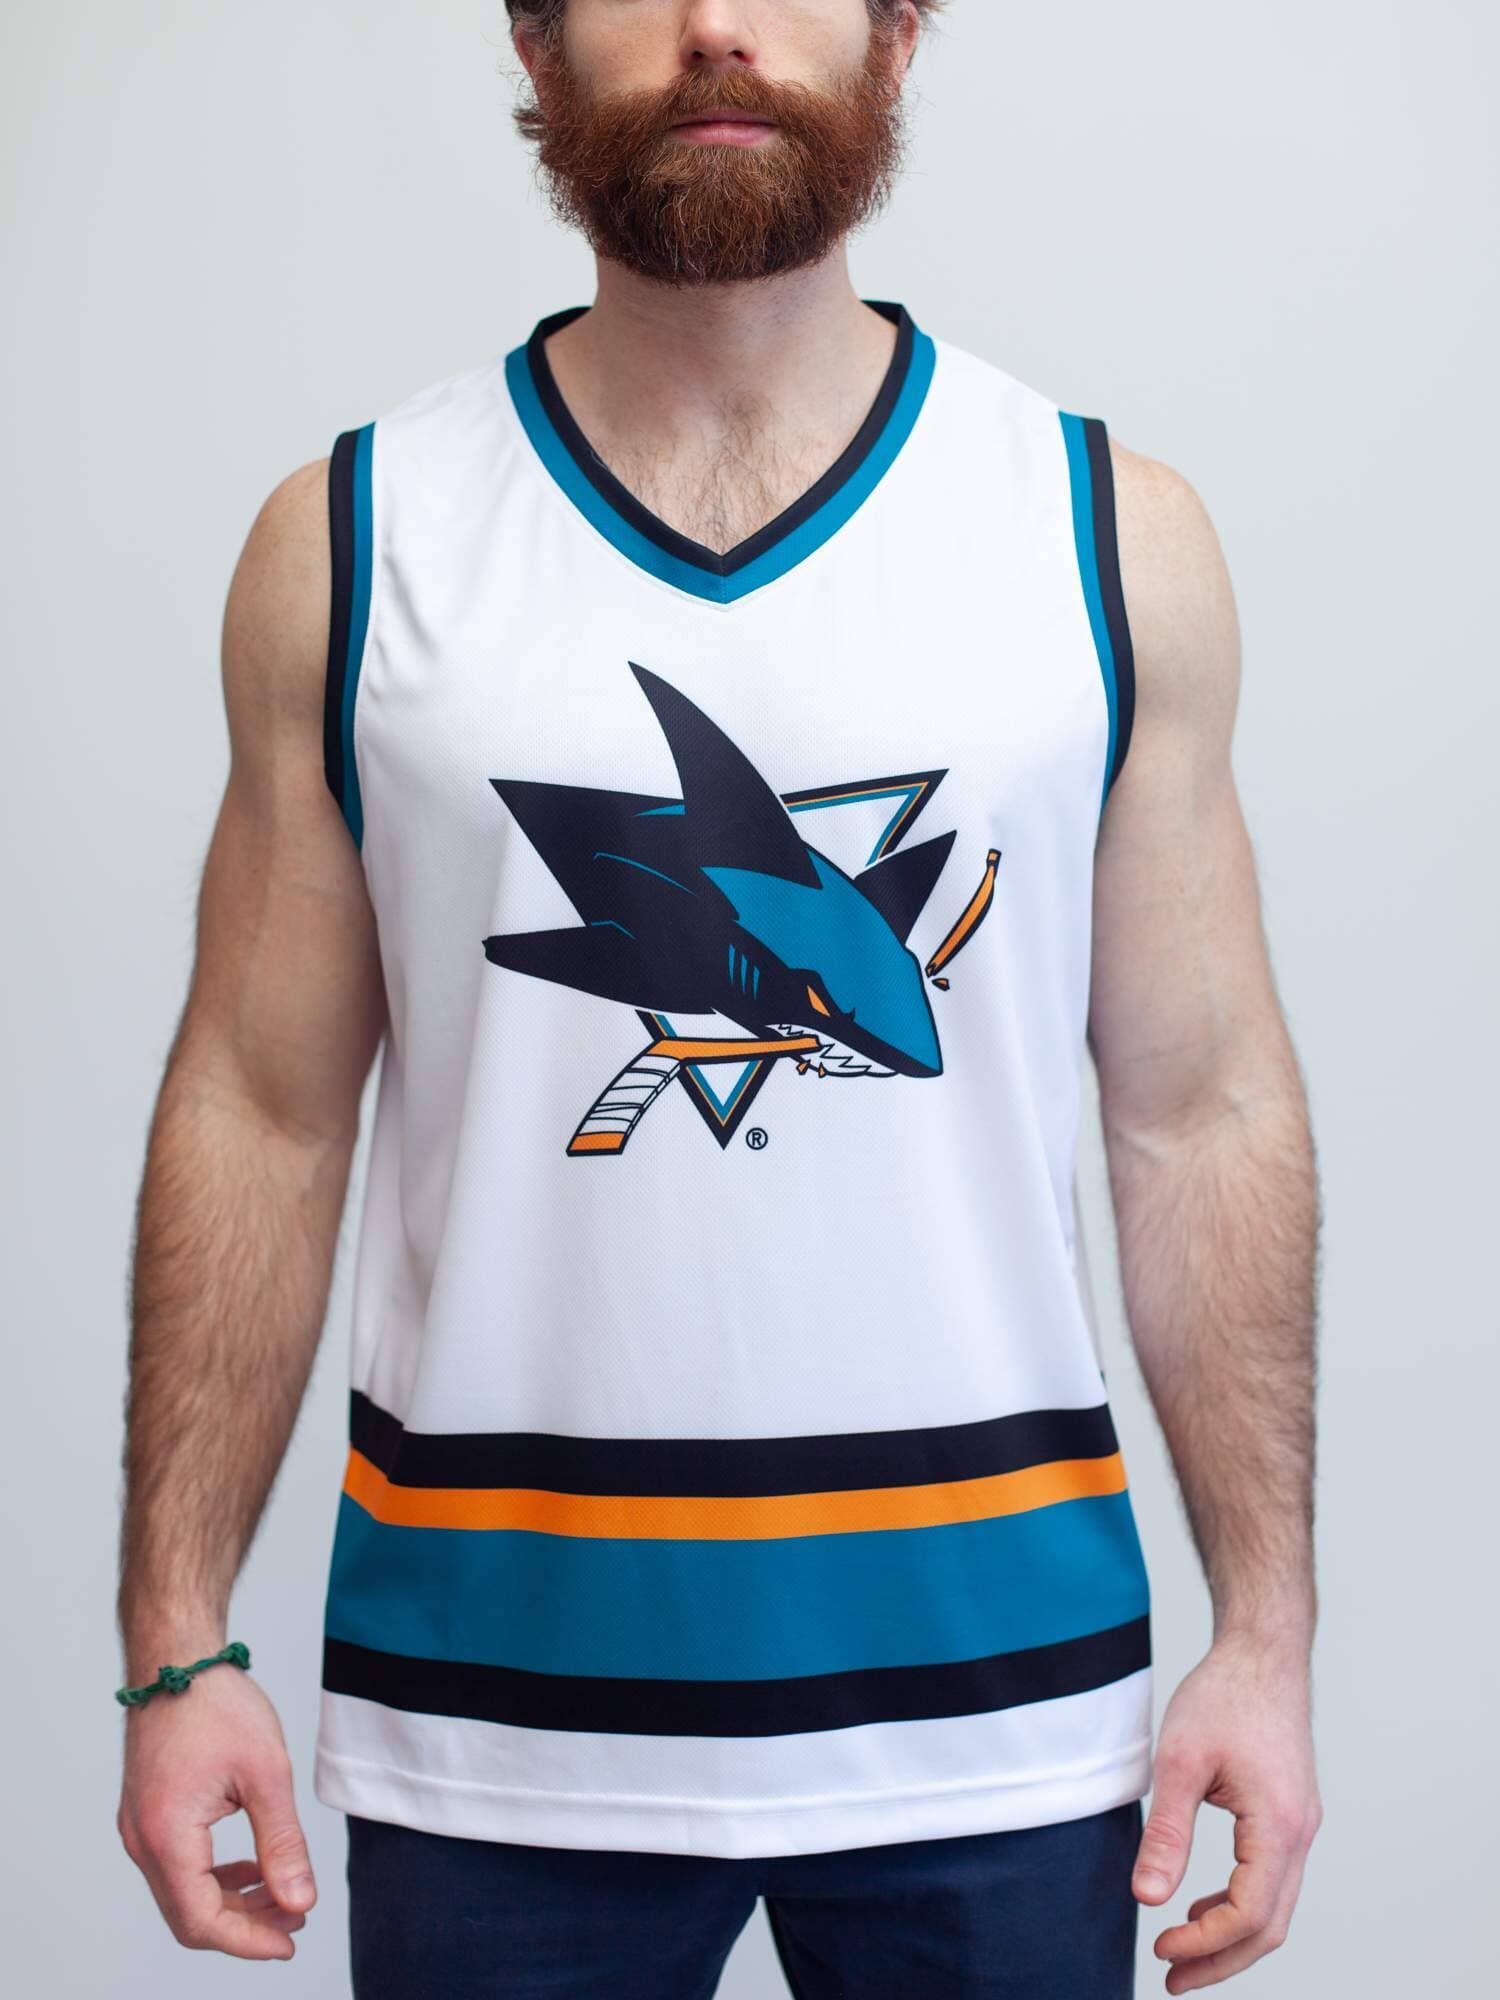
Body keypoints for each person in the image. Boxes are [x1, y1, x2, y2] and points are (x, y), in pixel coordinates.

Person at [113, 3, 1323, 1994]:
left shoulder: (1108, 536)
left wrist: (1265, 1640)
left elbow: (1202, 1113)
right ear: (533, 37)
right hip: (490, 1724)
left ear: (901, 28)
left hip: (1005, 1714)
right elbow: (261, 1107)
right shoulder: (353, 544)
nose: (716, 27)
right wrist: (176, 1640)